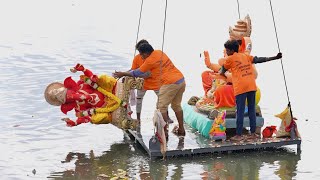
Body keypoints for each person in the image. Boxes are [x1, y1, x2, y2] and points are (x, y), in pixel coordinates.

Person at [113, 43, 186, 137]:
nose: (141, 57)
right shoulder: (159, 52)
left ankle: (164, 133)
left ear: (145, 53)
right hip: (181, 80)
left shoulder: (150, 61)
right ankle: (181, 129)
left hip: (170, 83)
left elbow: (137, 72)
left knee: (161, 107)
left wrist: (123, 73)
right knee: (176, 105)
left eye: (141, 55)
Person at [219, 40, 282, 141]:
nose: (226, 52)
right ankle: (253, 133)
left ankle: (238, 135)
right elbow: (259, 59)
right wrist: (275, 57)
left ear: (231, 50)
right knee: (252, 110)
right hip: (252, 86)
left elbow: (222, 70)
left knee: (239, 111)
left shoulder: (229, 58)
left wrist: (222, 74)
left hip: (241, 87)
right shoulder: (245, 56)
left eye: (227, 50)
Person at [130, 40, 173, 123]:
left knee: (163, 99)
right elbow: (133, 70)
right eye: (140, 52)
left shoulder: (154, 57)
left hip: (156, 82)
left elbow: (150, 72)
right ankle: (138, 119)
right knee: (139, 99)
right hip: (142, 82)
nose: (141, 55)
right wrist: (126, 74)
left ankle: (166, 117)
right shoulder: (137, 58)